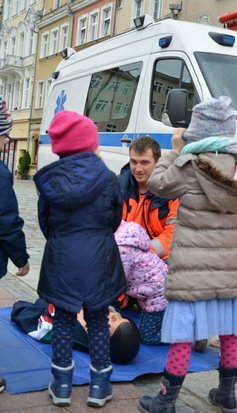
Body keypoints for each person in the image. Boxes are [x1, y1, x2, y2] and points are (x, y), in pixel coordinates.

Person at [139, 96, 237, 413]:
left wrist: (175, 150)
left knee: (182, 336)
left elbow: (156, 184)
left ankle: (166, 400)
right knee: (229, 334)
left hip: (193, 265)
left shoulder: (190, 164)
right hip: (228, 263)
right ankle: (227, 394)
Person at [34, 110, 127, 408]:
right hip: (100, 256)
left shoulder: (50, 182)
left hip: (63, 257)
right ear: (90, 143)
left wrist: (63, 240)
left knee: (62, 321)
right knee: (99, 321)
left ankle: (61, 385)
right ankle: (100, 387)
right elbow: (115, 218)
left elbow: (45, 222)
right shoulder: (109, 179)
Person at [0, 98, 30, 393]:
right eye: (4, 134)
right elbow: (7, 222)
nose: (6, 140)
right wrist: (21, 258)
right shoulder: (0, 173)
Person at [118, 136, 179, 261]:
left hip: (160, 258)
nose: (138, 169)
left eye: (144, 162)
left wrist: (141, 254)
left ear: (158, 163)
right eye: (134, 162)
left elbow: (173, 236)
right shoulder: (119, 186)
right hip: (124, 254)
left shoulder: (172, 191)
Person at [115, 220, 168, 345]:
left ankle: (185, 331)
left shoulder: (121, 247)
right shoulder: (126, 234)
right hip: (154, 286)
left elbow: (118, 279)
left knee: (147, 336)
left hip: (158, 293)